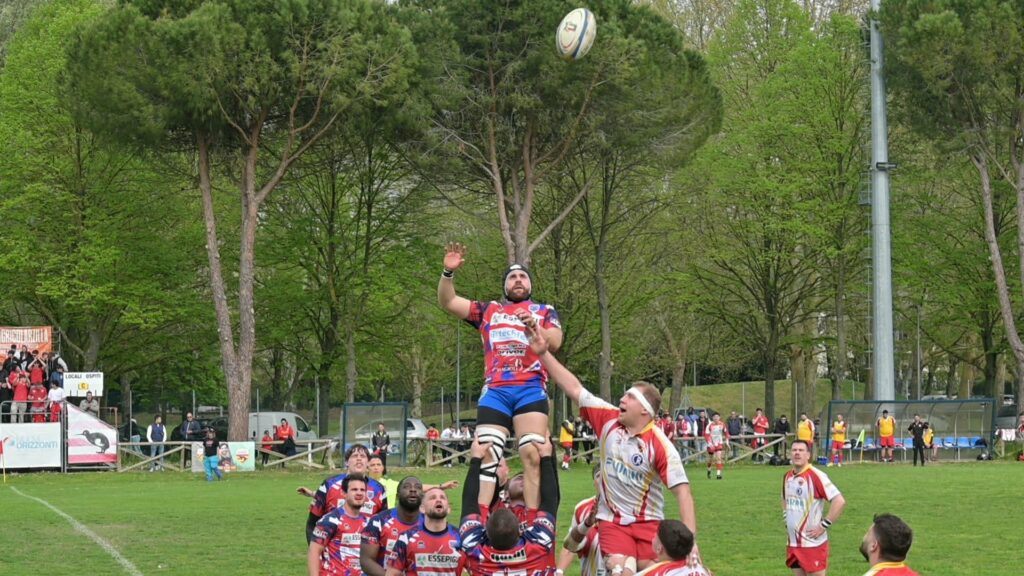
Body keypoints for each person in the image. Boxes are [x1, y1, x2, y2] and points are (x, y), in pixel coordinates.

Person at [527, 324, 697, 576]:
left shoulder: (660, 444)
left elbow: (683, 494)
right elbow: (574, 388)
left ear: (644, 411)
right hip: (613, 523)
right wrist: (543, 354)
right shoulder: (608, 419)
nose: (622, 399)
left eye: (629, 397)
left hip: (649, 522)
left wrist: (691, 545)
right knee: (619, 571)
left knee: (655, 571)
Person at [437, 242, 564, 518]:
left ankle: (532, 523)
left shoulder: (544, 310)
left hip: (530, 389)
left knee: (532, 454)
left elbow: (555, 342)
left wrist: (533, 325)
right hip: (496, 391)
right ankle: (479, 520)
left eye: (523, 277)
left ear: (529, 285)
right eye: (512, 277)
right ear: (505, 287)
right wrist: (448, 272)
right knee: (486, 455)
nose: (518, 280)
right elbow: (448, 302)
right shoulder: (489, 311)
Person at [459, 437, 558, 576]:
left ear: (485, 532)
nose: (522, 479)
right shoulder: (539, 545)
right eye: (518, 478)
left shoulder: (474, 550)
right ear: (520, 532)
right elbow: (551, 500)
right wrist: (547, 458)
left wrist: (476, 460)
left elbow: (471, 503)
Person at [783, 440, 846, 576]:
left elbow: (839, 501)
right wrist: (785, 516)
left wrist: (823, 525)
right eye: (794, 450)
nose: (797, 453)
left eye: (801, 450)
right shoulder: (787, 477)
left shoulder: (816, 476)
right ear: (790, 454)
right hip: (793, 542)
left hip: (812, 543)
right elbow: (784, 497)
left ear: (808, 455)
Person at [304, 444, 389, 542]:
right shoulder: (329, 484)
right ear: (346, 462)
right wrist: (315, 552)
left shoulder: (379, 489)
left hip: (365, 553)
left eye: (362, 456)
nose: (359, 459)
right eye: (354, 456)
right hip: (333, 554)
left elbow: (383, 525)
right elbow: (312, 523)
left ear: (368, 463)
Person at [385, 486, 463, 576]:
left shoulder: (461, 537)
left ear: (449, 509)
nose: (438, 500)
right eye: (432, 498)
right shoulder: (407, 538)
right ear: (422, 508)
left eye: (442, 497)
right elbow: (392, 573)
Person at [361, 476, 425, 576]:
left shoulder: (429, 524)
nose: (413, 490)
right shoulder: (379, 521)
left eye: (418, 487)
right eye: (407, 487)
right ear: (397, 494)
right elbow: (366, 561)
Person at [308, 474, 371, 576]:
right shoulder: (330, 520)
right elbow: (314, 552)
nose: (359, 493)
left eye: (362, 490)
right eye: (354, 489)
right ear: (343, 493)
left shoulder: (368, 523)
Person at [557, 464, 604, 576]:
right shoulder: (582, 508)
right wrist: (559, 571)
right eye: (598, 476)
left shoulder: (630, 509)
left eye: (607, 475)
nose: (603, 479)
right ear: (594, 483)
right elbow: (570, 546)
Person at [634, 520, 710, 576]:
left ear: (659, 548)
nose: (653, 537)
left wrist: (628, 565)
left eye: (655, 535)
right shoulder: (701, 569)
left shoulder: (657, 573)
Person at [704, 412, 730, 480]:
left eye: (717, 417)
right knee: (710, 459)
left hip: (719, 443)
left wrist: (727, 442)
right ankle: (709, 469)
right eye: (714, 417)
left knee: (719, 458)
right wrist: (709, 443)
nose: (716, 418)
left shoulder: (722, 424)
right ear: (712, 418)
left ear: (719, 417)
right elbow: (706, 435)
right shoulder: (709, 425)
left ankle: (718, 474)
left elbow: (726, 433)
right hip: (711, 443)